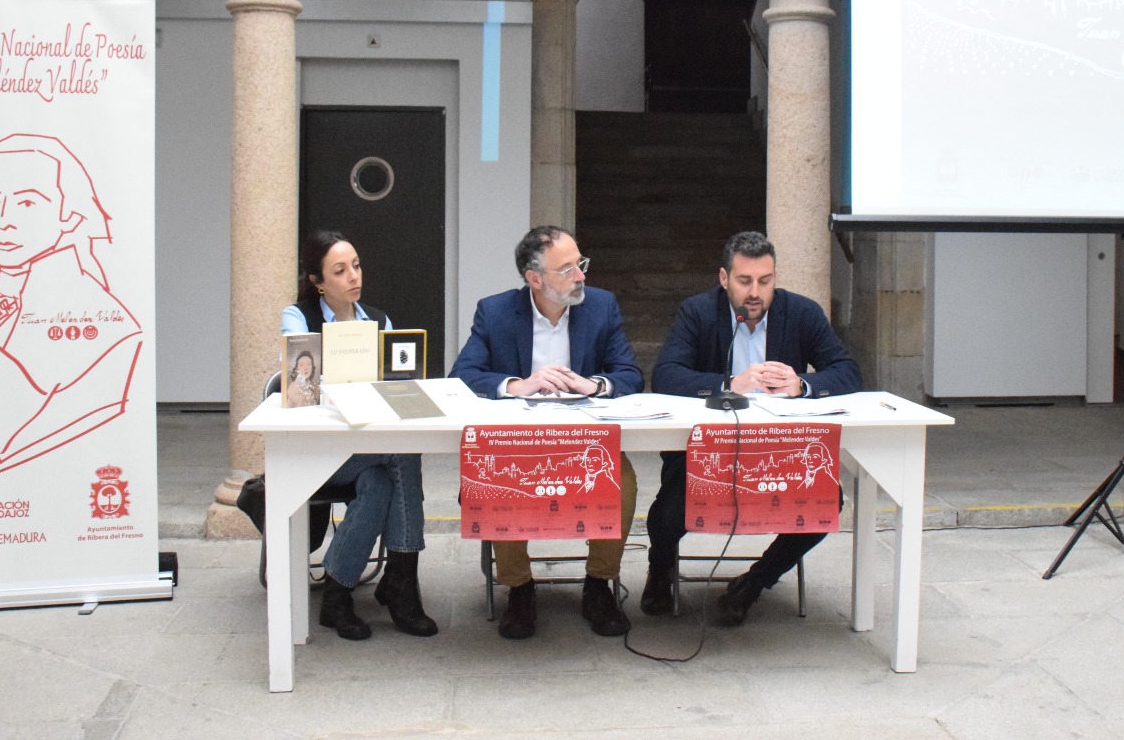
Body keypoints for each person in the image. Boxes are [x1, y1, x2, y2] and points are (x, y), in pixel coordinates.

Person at [644, 231, 862, 625]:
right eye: (745, 281)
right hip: (705, 453)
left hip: (781, 452)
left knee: (828, 501)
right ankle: (660, 572)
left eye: (766, 280)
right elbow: (666, 375)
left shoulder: (802, 313)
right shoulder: (697, 312)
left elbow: (848, 371)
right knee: (666, 513)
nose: (756, 293)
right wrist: (729, 384)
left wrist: (803, 385)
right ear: (724, 278)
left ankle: (755, 582)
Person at [450, 225, 643, 639]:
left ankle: (598, 584)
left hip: (586, 442)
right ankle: (518, 588)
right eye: (567, 269)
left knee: (623, 481)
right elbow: (462, 375)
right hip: (519, 444)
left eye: (581, 264)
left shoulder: (601, 306)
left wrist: (595, 385)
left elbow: (629, 373)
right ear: (534, 279)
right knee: (496, 479)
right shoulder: (496, 311)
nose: (581, 277)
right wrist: (516, 386)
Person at [0, 133, 143, 474]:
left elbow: (10, 440)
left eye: (27, 203)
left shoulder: (111, 328)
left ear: (69, 214)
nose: (3, 219)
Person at [274, 230, 437, 641]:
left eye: (357, 266)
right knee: (402, 454)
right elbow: (299, 384)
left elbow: (395, 384)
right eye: (340, 270)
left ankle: (339, 596)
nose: (353, 277)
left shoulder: (379, 320)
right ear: (317, 280)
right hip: (321, 452)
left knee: (382, 481)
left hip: (368, 446)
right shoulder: (299, 317)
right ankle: (400, 585)